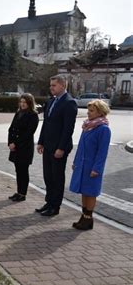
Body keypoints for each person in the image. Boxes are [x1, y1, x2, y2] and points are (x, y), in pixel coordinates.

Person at [36, 74, 78, 216]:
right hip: (47, 145)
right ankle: (48, 202)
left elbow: (68, 129)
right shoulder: (51, 101)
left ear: (62, 85)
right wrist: (41, 142)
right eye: (50, 85)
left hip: (59, 148)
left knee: (57, 177)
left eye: (54, 85)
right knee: (48, 176)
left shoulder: (69, 103)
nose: (51, 88)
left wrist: (61, 148)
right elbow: (46, 124)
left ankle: (55, 206)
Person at [69, 100, 111, 230]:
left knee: (91, 192)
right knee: (84, 191)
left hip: (92, 167)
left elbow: (102, 152)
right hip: (82, 165)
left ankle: (88, 219)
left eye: (91, 111)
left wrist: (96, 169)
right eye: (88, 110)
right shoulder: (87, 126)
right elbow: (81, 147)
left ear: (100, 112)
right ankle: (84, 217)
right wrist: (75, 162)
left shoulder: (103, 129)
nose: (88, 113)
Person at [8, 94, 39, 202]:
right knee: (18, 170)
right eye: (21, 102)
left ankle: (23, 193)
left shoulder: (33, 115)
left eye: (24, 102)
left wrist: (15, 143)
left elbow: (28, 133)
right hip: (15, 147)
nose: (22, 104)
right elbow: (11, 129)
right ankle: (18, 191)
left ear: (30, 103)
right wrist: (10, 142)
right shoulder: (18, 113)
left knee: (23, 171)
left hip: (24, 147)